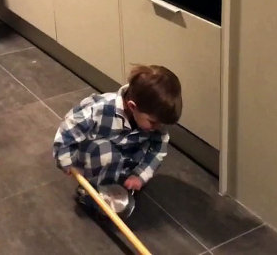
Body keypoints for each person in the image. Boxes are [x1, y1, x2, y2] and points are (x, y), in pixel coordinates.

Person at [53, 65, 182, 209]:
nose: (157, 127)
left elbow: (158, 150)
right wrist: (65, 159)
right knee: (106, 153)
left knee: (141, 151)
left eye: (161, 124)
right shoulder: (99, 108)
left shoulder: (153, 122)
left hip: (125, 158)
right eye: (153, 122)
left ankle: (117, 180)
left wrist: (139, 176)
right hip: (96, 155)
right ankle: (91, 190)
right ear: (132, 107)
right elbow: (69, 129)